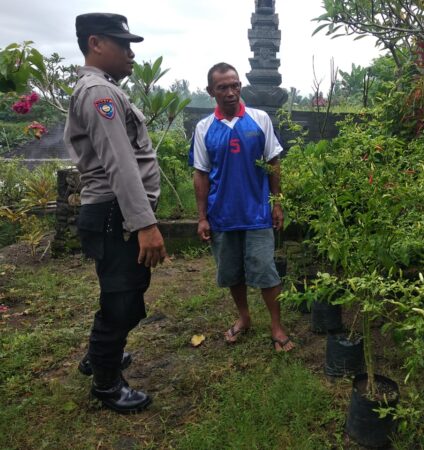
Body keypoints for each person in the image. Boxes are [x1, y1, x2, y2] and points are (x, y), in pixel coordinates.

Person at [64, 13, 168, 413]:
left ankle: (100, 355)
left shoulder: (103, 89)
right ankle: (107, 384)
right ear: (95, 43)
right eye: (122, 44)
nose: (131, 53)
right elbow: (120, 164)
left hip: (111, 212)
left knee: (122, 291)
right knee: (123, 298)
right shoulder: (97, 93)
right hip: (116, 213)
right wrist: (145, 224)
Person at [189, 62, 294, 352]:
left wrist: (276, 204)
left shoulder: (259, 120)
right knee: (232, 272)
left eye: (235, 85)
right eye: (223, 87)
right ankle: (244, 318)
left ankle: (276, 325)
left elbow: (274, 163)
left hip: (257, 213)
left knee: (266, 271)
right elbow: (200, 174)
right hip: (222, 215)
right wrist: (201, 218)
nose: (231, 91)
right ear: (211, 91)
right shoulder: (204, 128)